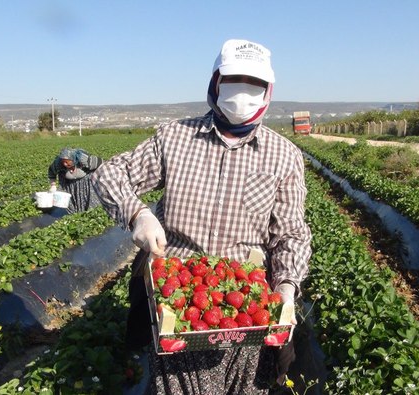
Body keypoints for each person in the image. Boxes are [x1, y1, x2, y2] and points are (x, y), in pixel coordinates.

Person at [93, 39, 312, 394]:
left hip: (244, 298)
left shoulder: (283, 156)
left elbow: (291, 234)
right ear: (215, 83)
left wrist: (286, 285)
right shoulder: (176, 138)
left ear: (268, 91)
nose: (243, 92)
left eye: (254, 84)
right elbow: (109, 175)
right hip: (176, 298)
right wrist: (138, 214)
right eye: (234, 80)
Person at [47, 147, 104, 214]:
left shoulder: (85, 159)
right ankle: (75, 214)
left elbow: (102, 164)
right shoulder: (58, 163)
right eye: (63, 162)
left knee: (91, 202)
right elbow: (51, 172)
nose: (65, 164)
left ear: (73, 159)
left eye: (67, 162)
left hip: (86, 184)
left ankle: (91, 213)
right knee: (70, 203)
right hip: (69, 185)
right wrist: (53, 185)